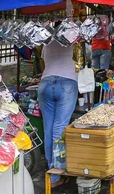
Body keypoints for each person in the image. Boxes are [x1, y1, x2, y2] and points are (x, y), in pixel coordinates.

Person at [38, 29, 78, 189]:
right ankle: (56, 174)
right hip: (67, 83)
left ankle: (51, 169)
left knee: (48, 129)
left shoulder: (46, 41)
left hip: (45, 82)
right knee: (59, 128)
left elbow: (44, 62)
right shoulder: (73, 37)